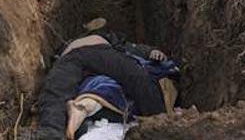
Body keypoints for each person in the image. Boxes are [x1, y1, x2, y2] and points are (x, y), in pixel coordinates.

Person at [36, 27, 173, 140]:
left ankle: (159, 125)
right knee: (56, 90)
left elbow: (132, 48)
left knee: (137, 76)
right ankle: (51, 134)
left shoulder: (107, 36)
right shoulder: (65, 46)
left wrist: (150, 51)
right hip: (70, 58)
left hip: (98, 52)